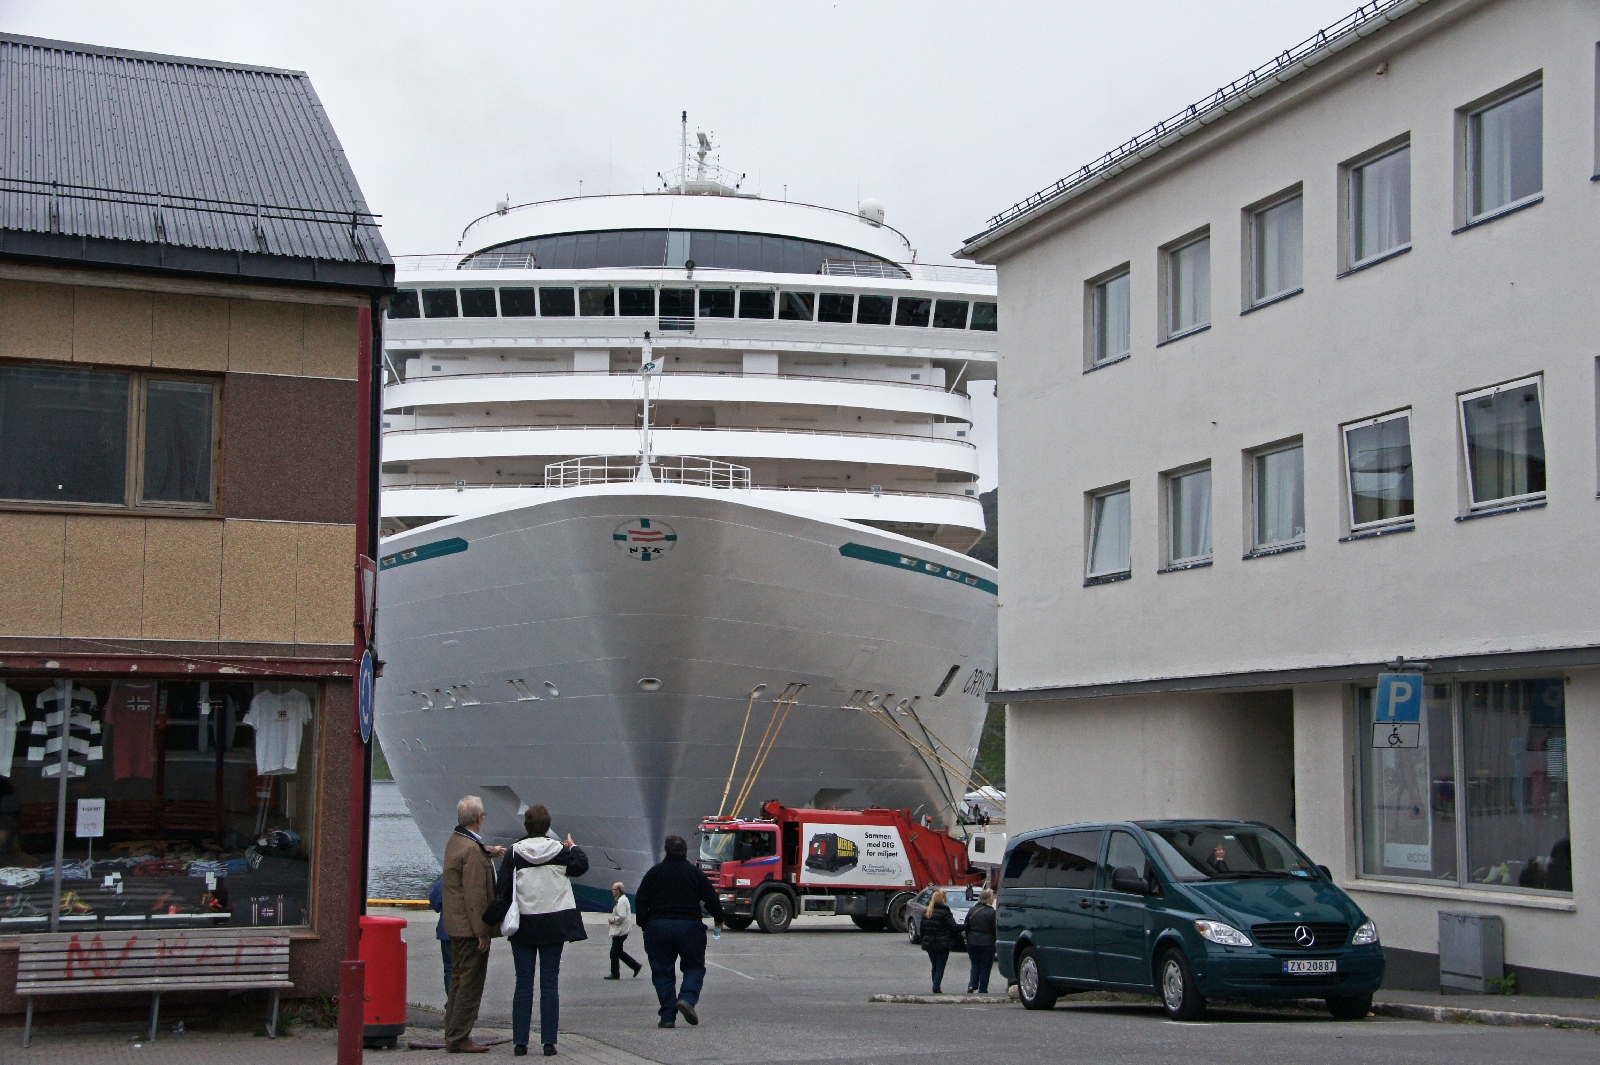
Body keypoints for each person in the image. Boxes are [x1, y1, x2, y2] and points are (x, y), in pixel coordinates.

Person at [495, 804, 589, 1058]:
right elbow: (581, 866)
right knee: (550, 983)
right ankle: (549, 1042)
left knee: (523, 984)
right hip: (554, 924)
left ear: (526, 825)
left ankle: (520, 1042)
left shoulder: (515, 852)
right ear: (548, 827)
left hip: (524, 925)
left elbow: (502, 889)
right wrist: (573, 846)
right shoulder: (559, 850)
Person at [635, 835, 724, 1028]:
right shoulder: (695, 873)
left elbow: (641, 901)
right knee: (694, 967)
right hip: (689, 926)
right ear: (686, 852)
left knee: (662, 971)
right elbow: (711, 897)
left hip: (658, 926)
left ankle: (667, 1016)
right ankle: (687, 999)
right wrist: (718, 918)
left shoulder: (654, 873)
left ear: (666, 851)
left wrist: (644, 925)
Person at [441, 795, 505, 1054]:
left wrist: (489, 851)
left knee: (458, 979)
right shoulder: (472, 852)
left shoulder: (455, 842)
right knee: (470, 983)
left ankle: (451, 1029)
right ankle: (459, 1037)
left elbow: (469, 852)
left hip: (454, 925)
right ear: (480, 818)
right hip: (470, 929)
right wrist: (482, 932)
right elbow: (476, 896)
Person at [918, 889, 961, 994]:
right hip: (942, 943)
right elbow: (953, 927)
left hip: (929, 943)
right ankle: (936, 986)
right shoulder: (945, 912)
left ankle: (935, 984)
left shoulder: (927, 913)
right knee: (940, 965)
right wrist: (966, 926)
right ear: (943, 900)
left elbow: (922, 930)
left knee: (934, 965)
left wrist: (924, 940)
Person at [605, 881, 642, 980]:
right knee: (618, 951)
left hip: (620, 931)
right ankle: (635, 966)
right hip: (622, 930)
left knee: (614, 952)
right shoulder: (622, 899)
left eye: (614, 889)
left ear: (619, 890)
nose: (612, 891)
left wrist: (612, 919)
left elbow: (621, 916)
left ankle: (615, 973)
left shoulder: (621, 901)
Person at [962, 889, 997, 993]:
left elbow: (966, 925)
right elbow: (994, 929)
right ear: (989, 899)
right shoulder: (992, 913)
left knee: (975, 964)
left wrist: (968, 938)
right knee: (985, 967)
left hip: (972, 942)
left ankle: (972, 984)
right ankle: (983, 989)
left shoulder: (972, 910)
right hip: (987, 943)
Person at [428, 874, 452, 994]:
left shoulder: (447, 878)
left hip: (447, 930)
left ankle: (451, 1003)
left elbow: (435, 901)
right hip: (470, 931)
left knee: (450, 969)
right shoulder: (474, 876)